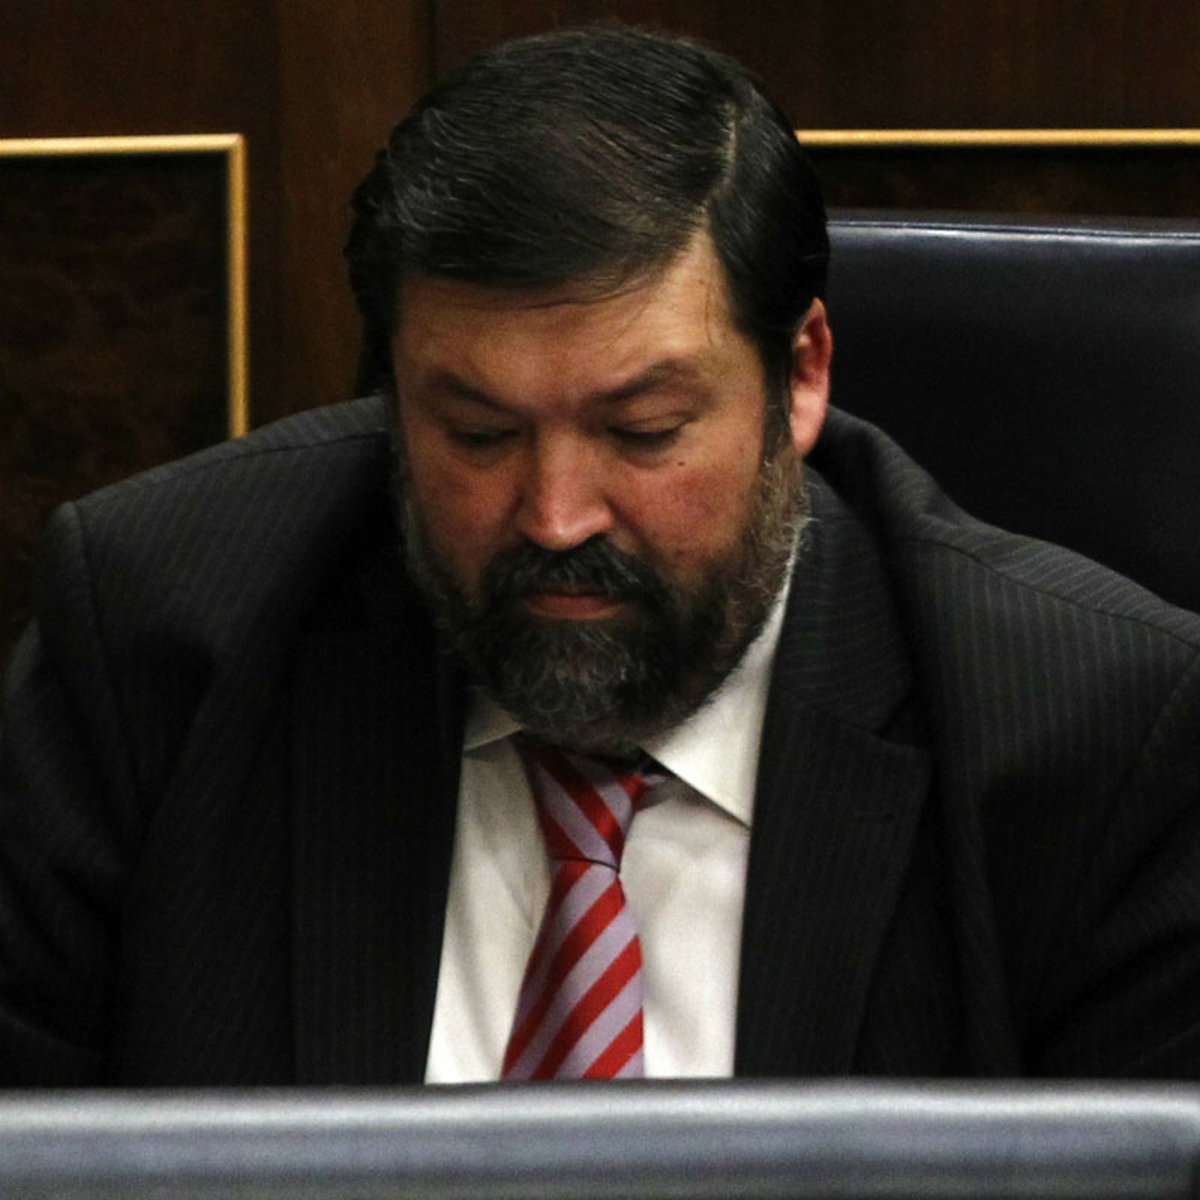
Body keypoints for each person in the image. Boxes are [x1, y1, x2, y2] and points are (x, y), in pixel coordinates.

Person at [2, 24, 1200, 1087]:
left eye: (643, 431)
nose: (556, 516)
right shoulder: (159, 641)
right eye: (478, 434)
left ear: (800, 378)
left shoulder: (1094, 742)